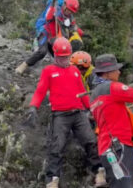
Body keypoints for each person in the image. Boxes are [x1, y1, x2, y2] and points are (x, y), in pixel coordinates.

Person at [24, 37, 106, 188]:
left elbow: (82, 92)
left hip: (78, 113)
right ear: (55, 56)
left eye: (66, 57)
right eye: (61, 57)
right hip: (60, 115)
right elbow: (40, 91)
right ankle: (52, 180)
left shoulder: (75, 70)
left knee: (90, 141)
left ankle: (99, 172)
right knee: (57, 146)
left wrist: (92, 109)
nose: (64, 60)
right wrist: (33, 106)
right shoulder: (48, 71)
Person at [90, 54, 133, 188]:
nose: (119, 72)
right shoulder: (113, 88)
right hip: (118, 146)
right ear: (107, 74)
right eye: (116, 69)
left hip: (106, 148)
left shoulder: (95, 94)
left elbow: (111, 110)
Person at [15, 0, 83, 74]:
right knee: (42, 52)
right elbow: (48, 18)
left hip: (55, 38)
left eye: (71, 11)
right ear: (64, 5)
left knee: (61, 54)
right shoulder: (56, 9)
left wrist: (82, 34)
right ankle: (24, 65)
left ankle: (61, 74)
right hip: (45, 33)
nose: (69, 12)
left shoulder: (70, 17)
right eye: (68, 10)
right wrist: (52, 6)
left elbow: (73, 28)